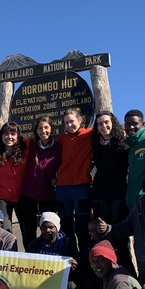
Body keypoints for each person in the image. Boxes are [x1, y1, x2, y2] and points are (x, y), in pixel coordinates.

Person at [90, 110, 133, 273]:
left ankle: (126, 274)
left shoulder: (124, 144)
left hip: (119, 196)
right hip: (100, 196)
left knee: (119, 237)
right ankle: (107, 276)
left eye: (106, 122)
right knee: (102, 236)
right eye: (100, 124)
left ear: (113, 123)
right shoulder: (95, 145)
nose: (103, 126)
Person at [17, 117, 62, 247]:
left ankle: (50, 254)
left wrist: (56, 176)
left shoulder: (58, 148)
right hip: (27, 193)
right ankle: (31, 257)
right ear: (36, 130)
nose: (43, 131)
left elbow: (62, 166)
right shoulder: (29, 145)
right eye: (40, 128)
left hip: (47, 194)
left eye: (46, 127)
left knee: (49, 229)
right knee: (28, 230)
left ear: (51, 129)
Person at [56, 107, 94, 251]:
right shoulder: (61, 140)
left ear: (80, 120)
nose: (69, 125)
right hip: (62, 188)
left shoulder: (90, 134)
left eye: (71, 121)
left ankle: (85, 259)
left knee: (82, 226)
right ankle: (71, 260)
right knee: (65, 226)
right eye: (66, 123)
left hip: (82, 186)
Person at [0, 121, 29, 238]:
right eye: (6, 134)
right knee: (5, 231)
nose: (9, 137)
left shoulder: (25, 151)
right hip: (3, 196)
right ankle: (9, 255)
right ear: (1, 136)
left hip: (23, 194)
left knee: (27, 230)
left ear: (18, 136)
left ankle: (29, 255)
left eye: (13, 134)